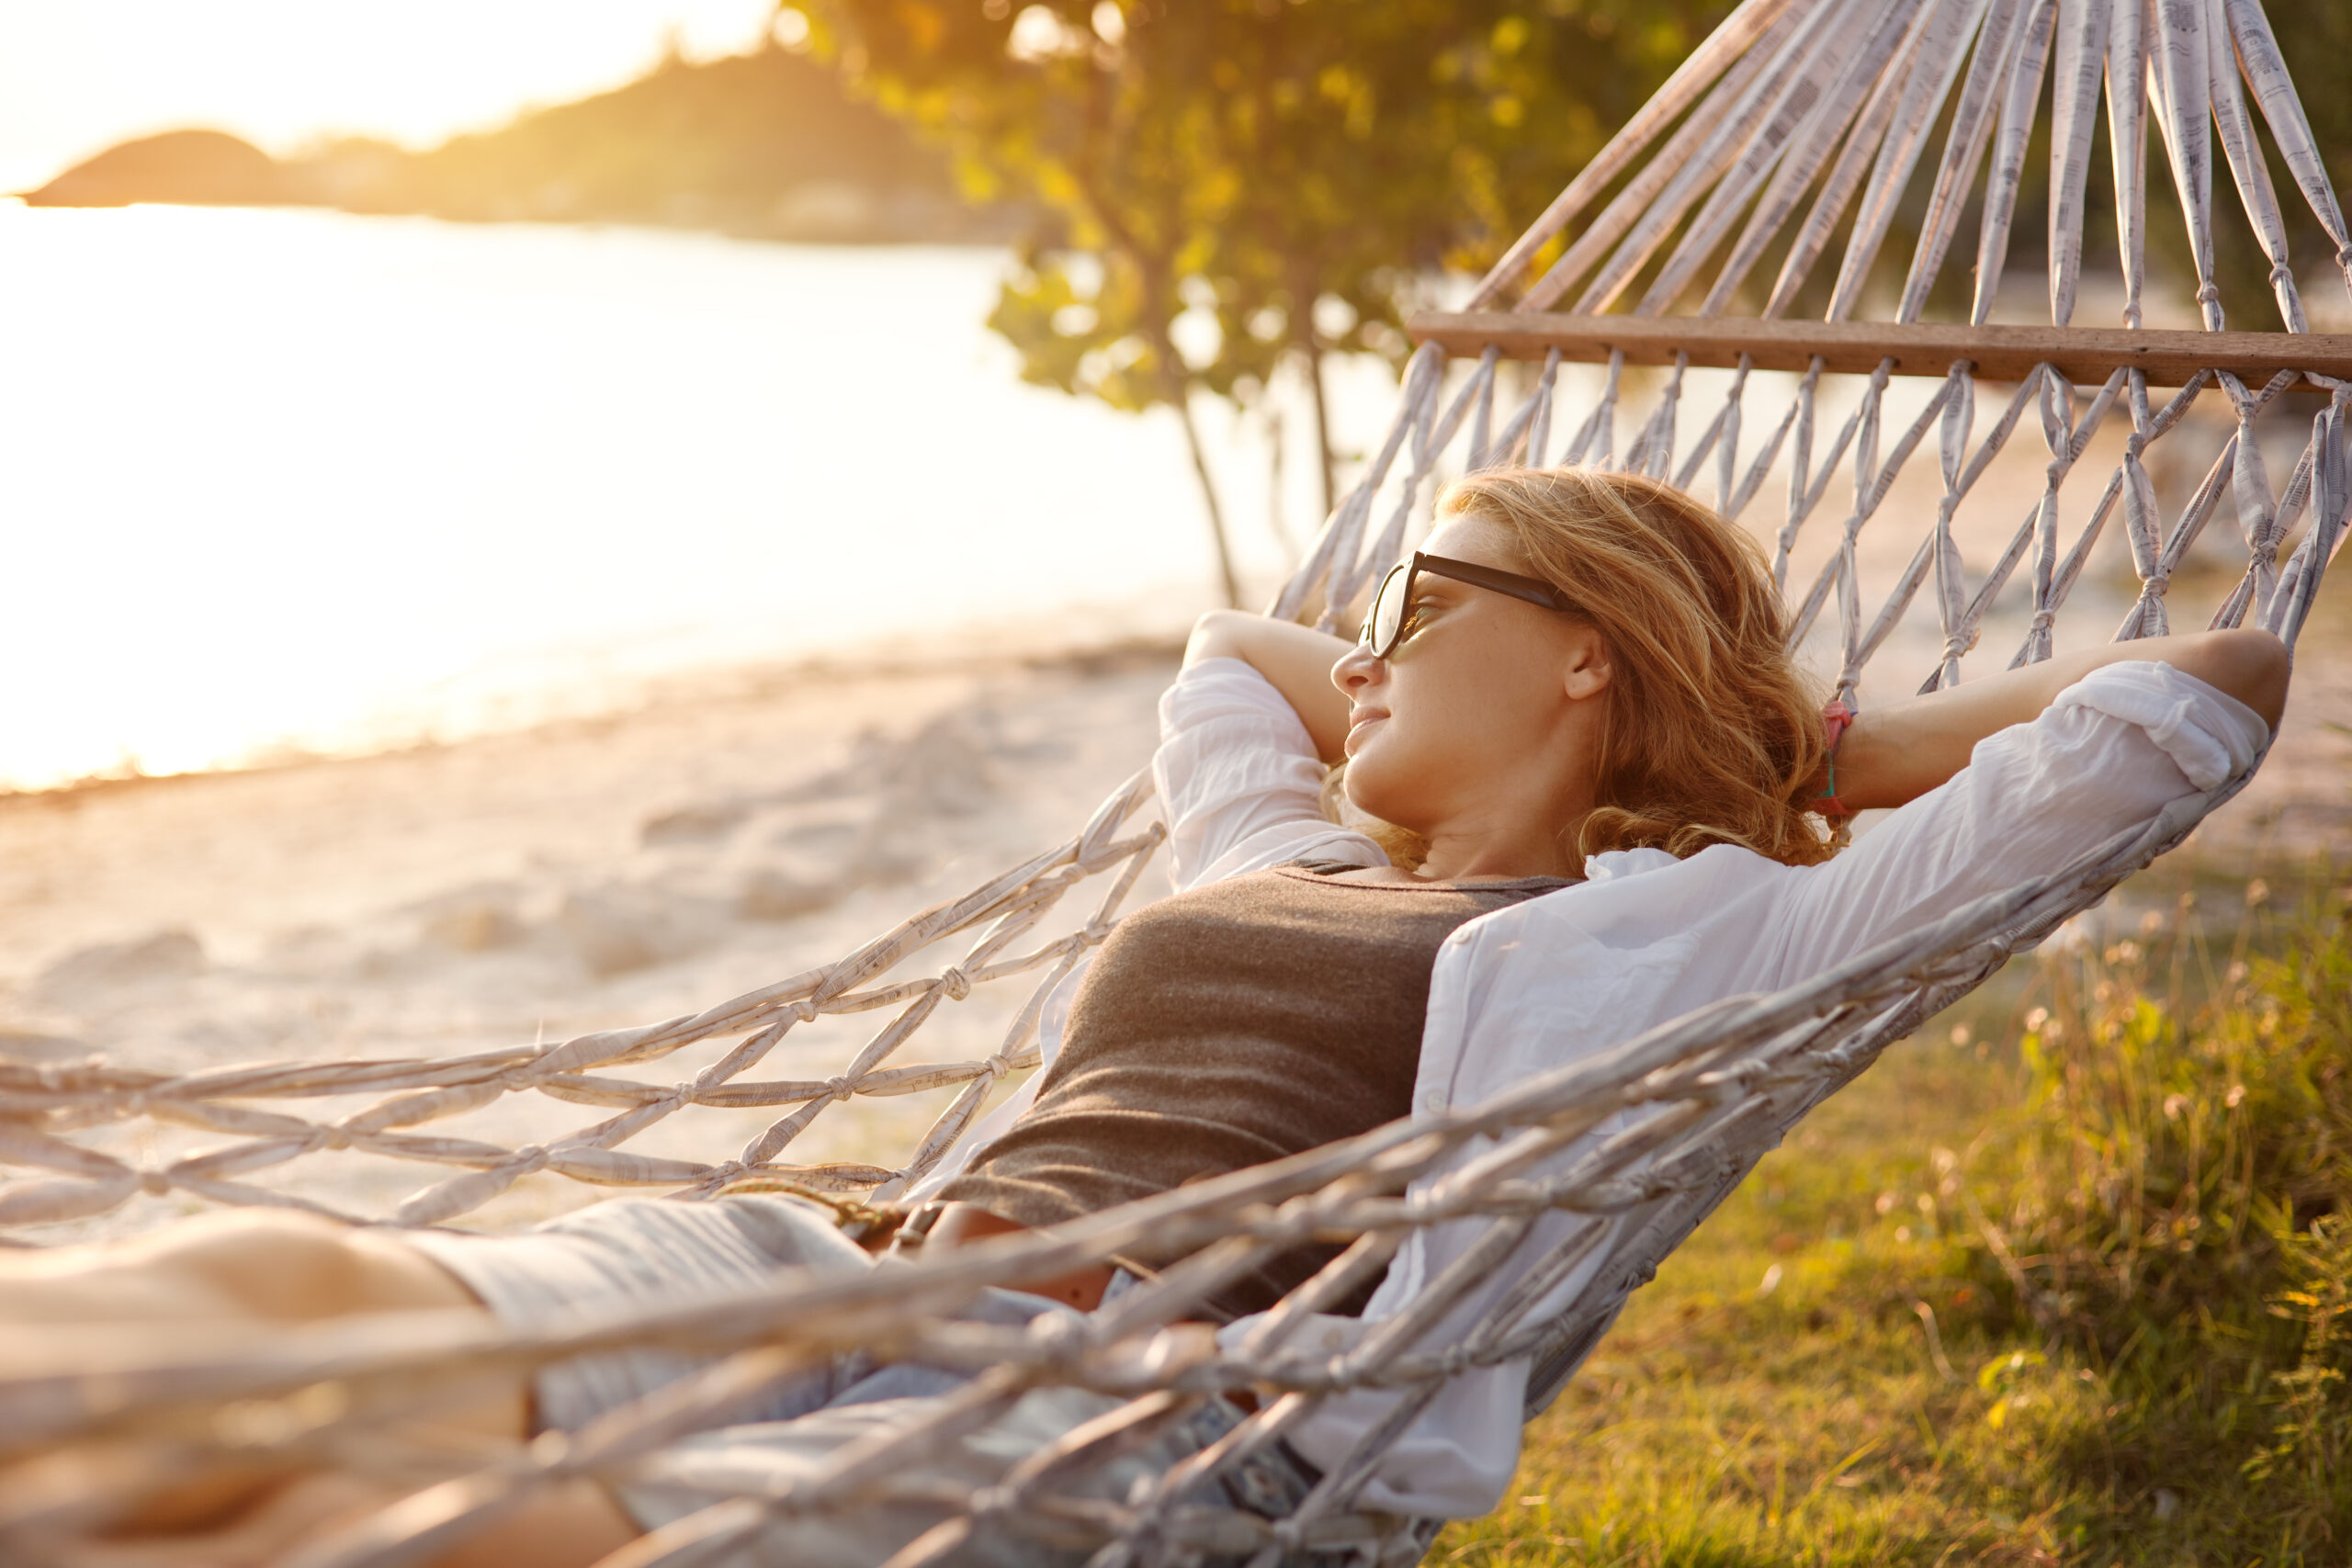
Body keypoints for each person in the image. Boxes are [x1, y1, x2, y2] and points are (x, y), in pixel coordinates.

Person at [7, 467, 2290, 1568]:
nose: (1359, 642)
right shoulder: (1267, 847)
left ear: (1581, 647)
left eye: (1417, 594)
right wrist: (1439, 656)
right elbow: (1230, 652)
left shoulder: (1693, 943)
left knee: (391, 1529)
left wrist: (1793, 746)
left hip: (1127, 1414)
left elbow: (2193, 700)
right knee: (276, 1302)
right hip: (842, 1258)